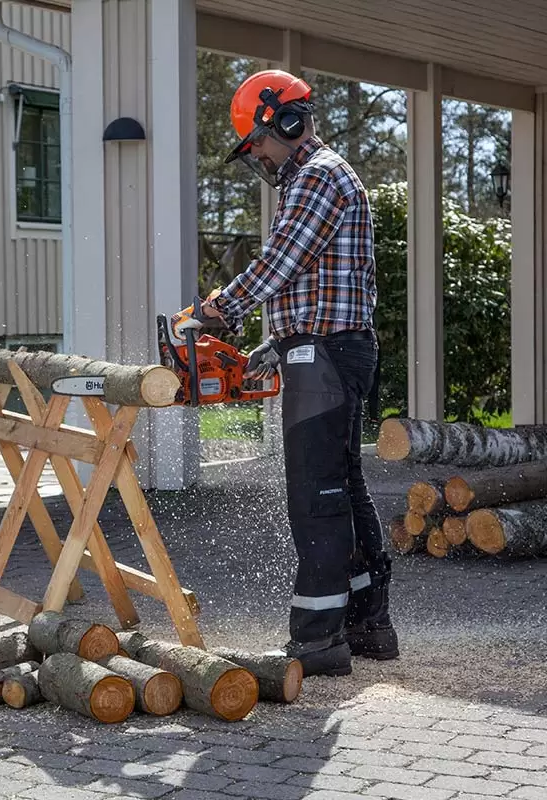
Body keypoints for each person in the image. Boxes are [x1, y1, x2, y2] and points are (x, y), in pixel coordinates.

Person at [172, 69, 398, 677]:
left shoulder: (318, 176)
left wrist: (217, 311)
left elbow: (281, 262)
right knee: (343, 485)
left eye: (260, 143)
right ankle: (367, 623)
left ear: (286, 122)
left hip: (324, 353)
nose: (261, 156)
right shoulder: (315, 178)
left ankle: (317, 639)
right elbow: (313, 280)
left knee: (315, 493)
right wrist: (276, 340)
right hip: (323, 347)